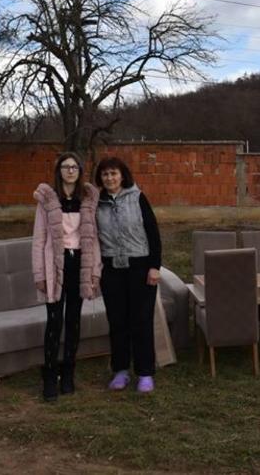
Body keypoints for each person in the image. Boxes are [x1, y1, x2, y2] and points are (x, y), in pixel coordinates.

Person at [31, 152, 101, 402]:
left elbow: (93, 239)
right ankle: (49, 375)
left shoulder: (88, 199)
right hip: (55, 266)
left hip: (79, 264)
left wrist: (95, 271)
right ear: (58, 170)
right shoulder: (48, 200)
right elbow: (39, 240)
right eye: (65, 166)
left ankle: (68, 371)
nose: (70, 171)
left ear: (80, 171)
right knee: (54, 321)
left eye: (74, 167)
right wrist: (39, 273)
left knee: (73, 320)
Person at [94, 157, 162, 393]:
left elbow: (153, 232)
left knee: (141, 320)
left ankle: (145, 373)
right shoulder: (96, 202)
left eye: (114, 173)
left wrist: (155, 266)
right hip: (111, 269)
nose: (109, 178)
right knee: (117, 321)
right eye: (105, 174)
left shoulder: (138, 197)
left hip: (140, 267)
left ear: (122, 175)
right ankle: (120, 370)